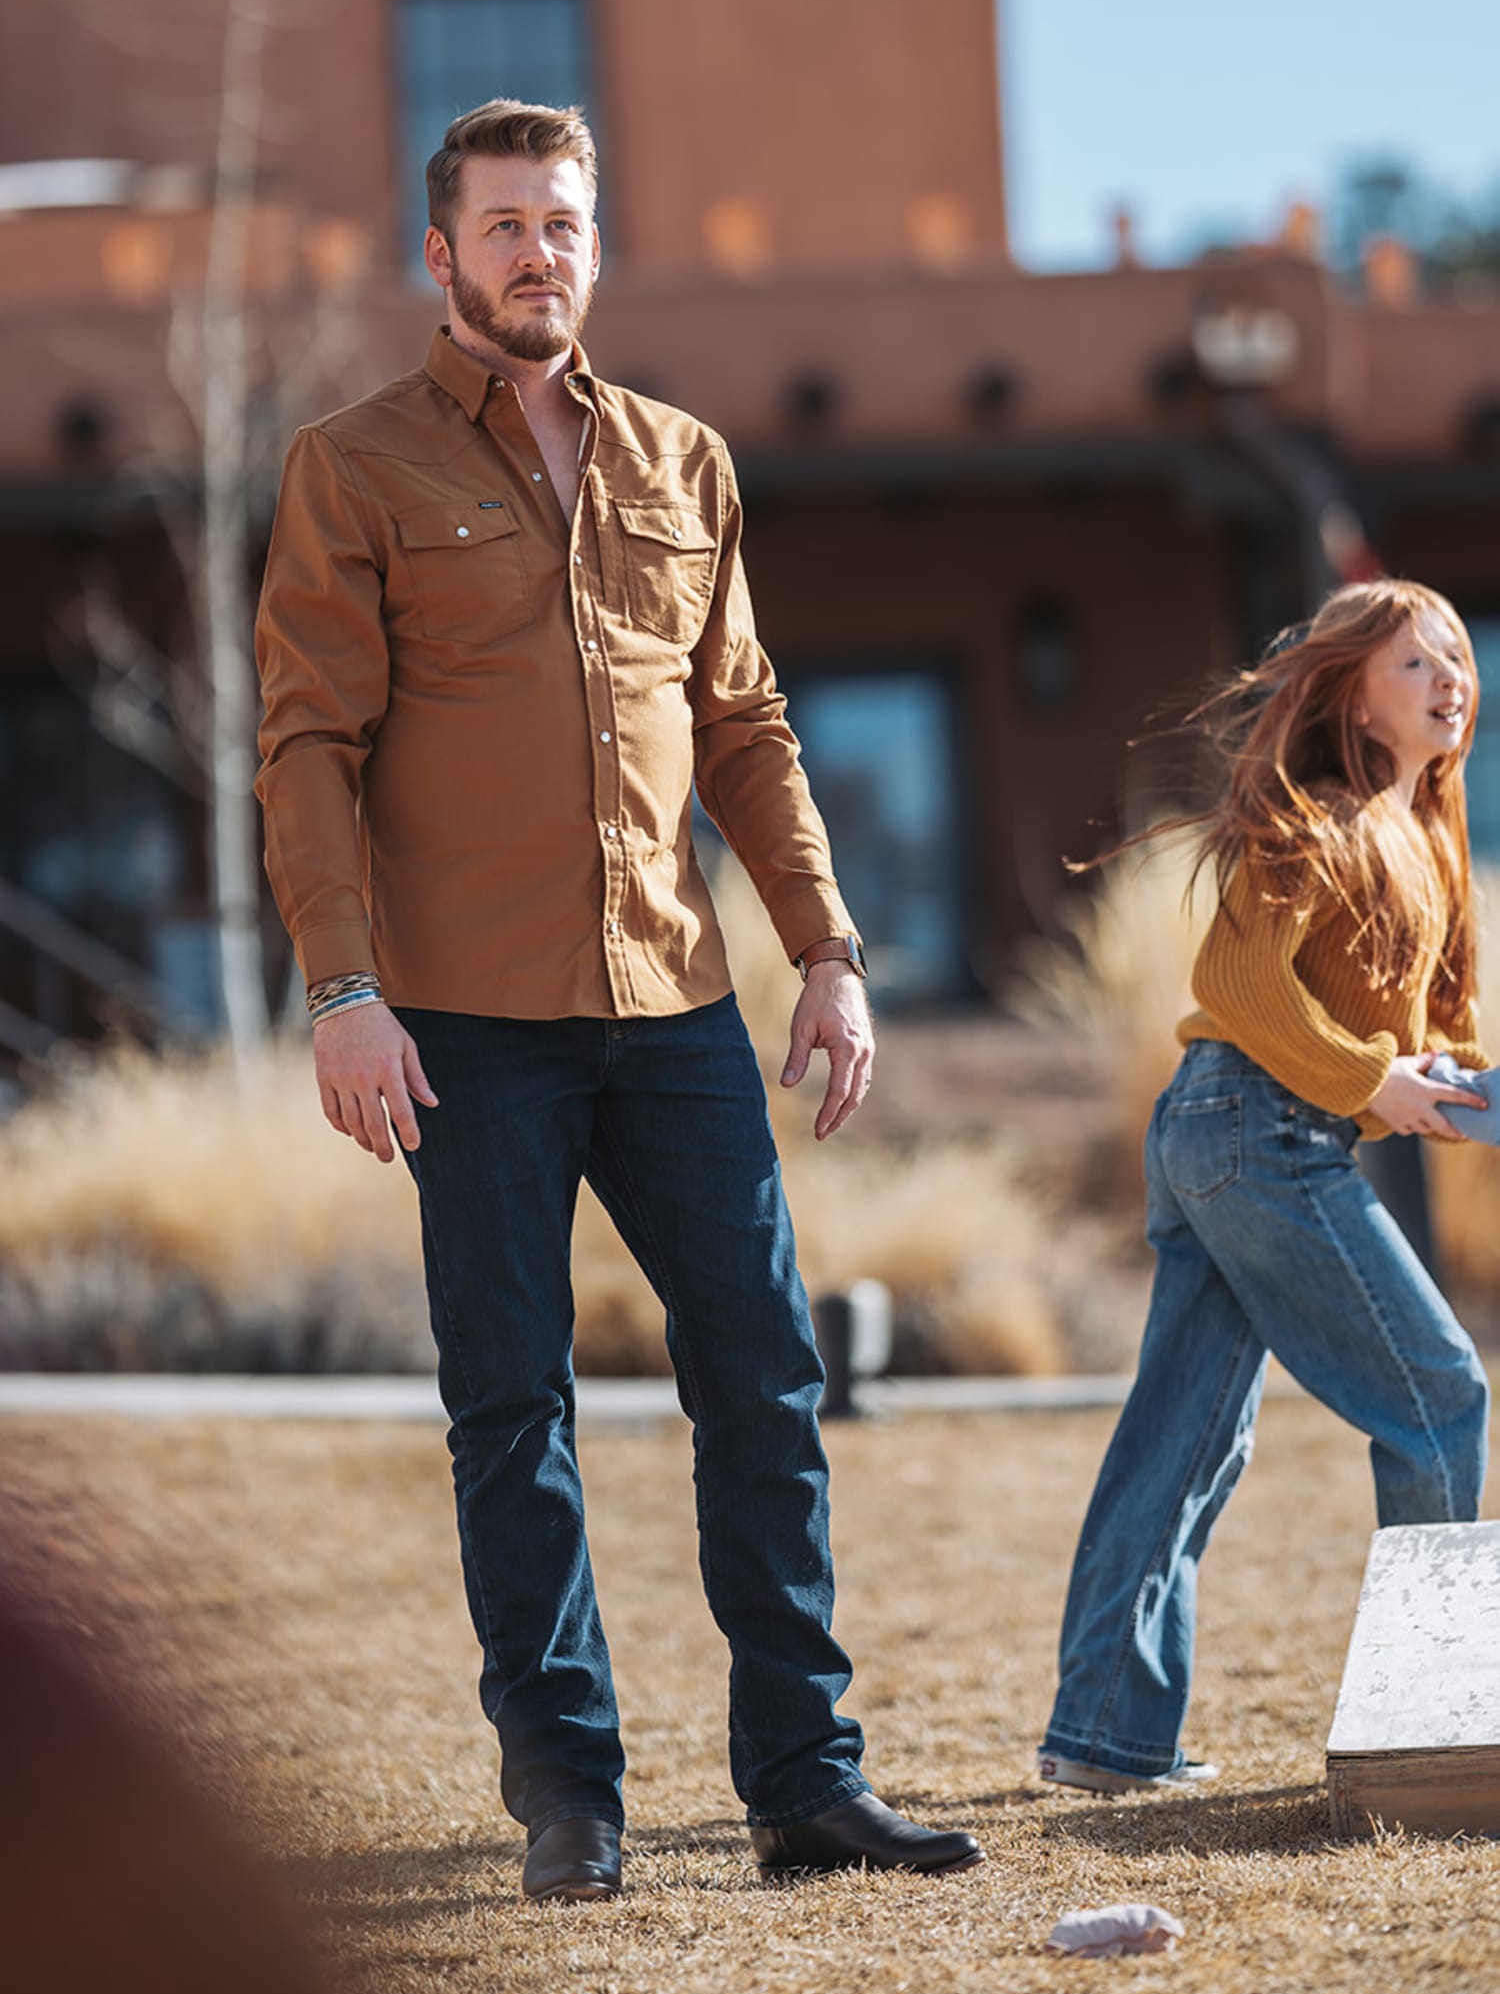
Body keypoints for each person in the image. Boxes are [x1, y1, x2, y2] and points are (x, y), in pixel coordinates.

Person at [255, 97, 981, 1900]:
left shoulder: (685, 461)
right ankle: (570, 1797)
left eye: (563, 225)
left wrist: (824, 950)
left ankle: (806, 1784)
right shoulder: (354, 467)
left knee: (765, 1379)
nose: (536, 254)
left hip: (672, 1007)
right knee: (514, 1407)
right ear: (441, 255)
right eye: (502, 226)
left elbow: (743, 722)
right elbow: (308, 744)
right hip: (462, 1019)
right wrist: (341, 986)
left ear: (598, 244)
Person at [1039, 579, 1492, 1796]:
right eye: (1415, 662)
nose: (1451, 675)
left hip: (1234, 1130)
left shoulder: (1427, 837)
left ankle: (1106, 1738)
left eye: (1459, 654)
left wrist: (1433, 1087)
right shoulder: (1319, 815)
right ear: (1349, 688)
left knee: (1182, 1437)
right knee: (1442, 1396)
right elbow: (1241, 986)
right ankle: (1433, 1727)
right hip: (1255, 1128)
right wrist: (1366, 1079)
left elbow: (1429, 1044)